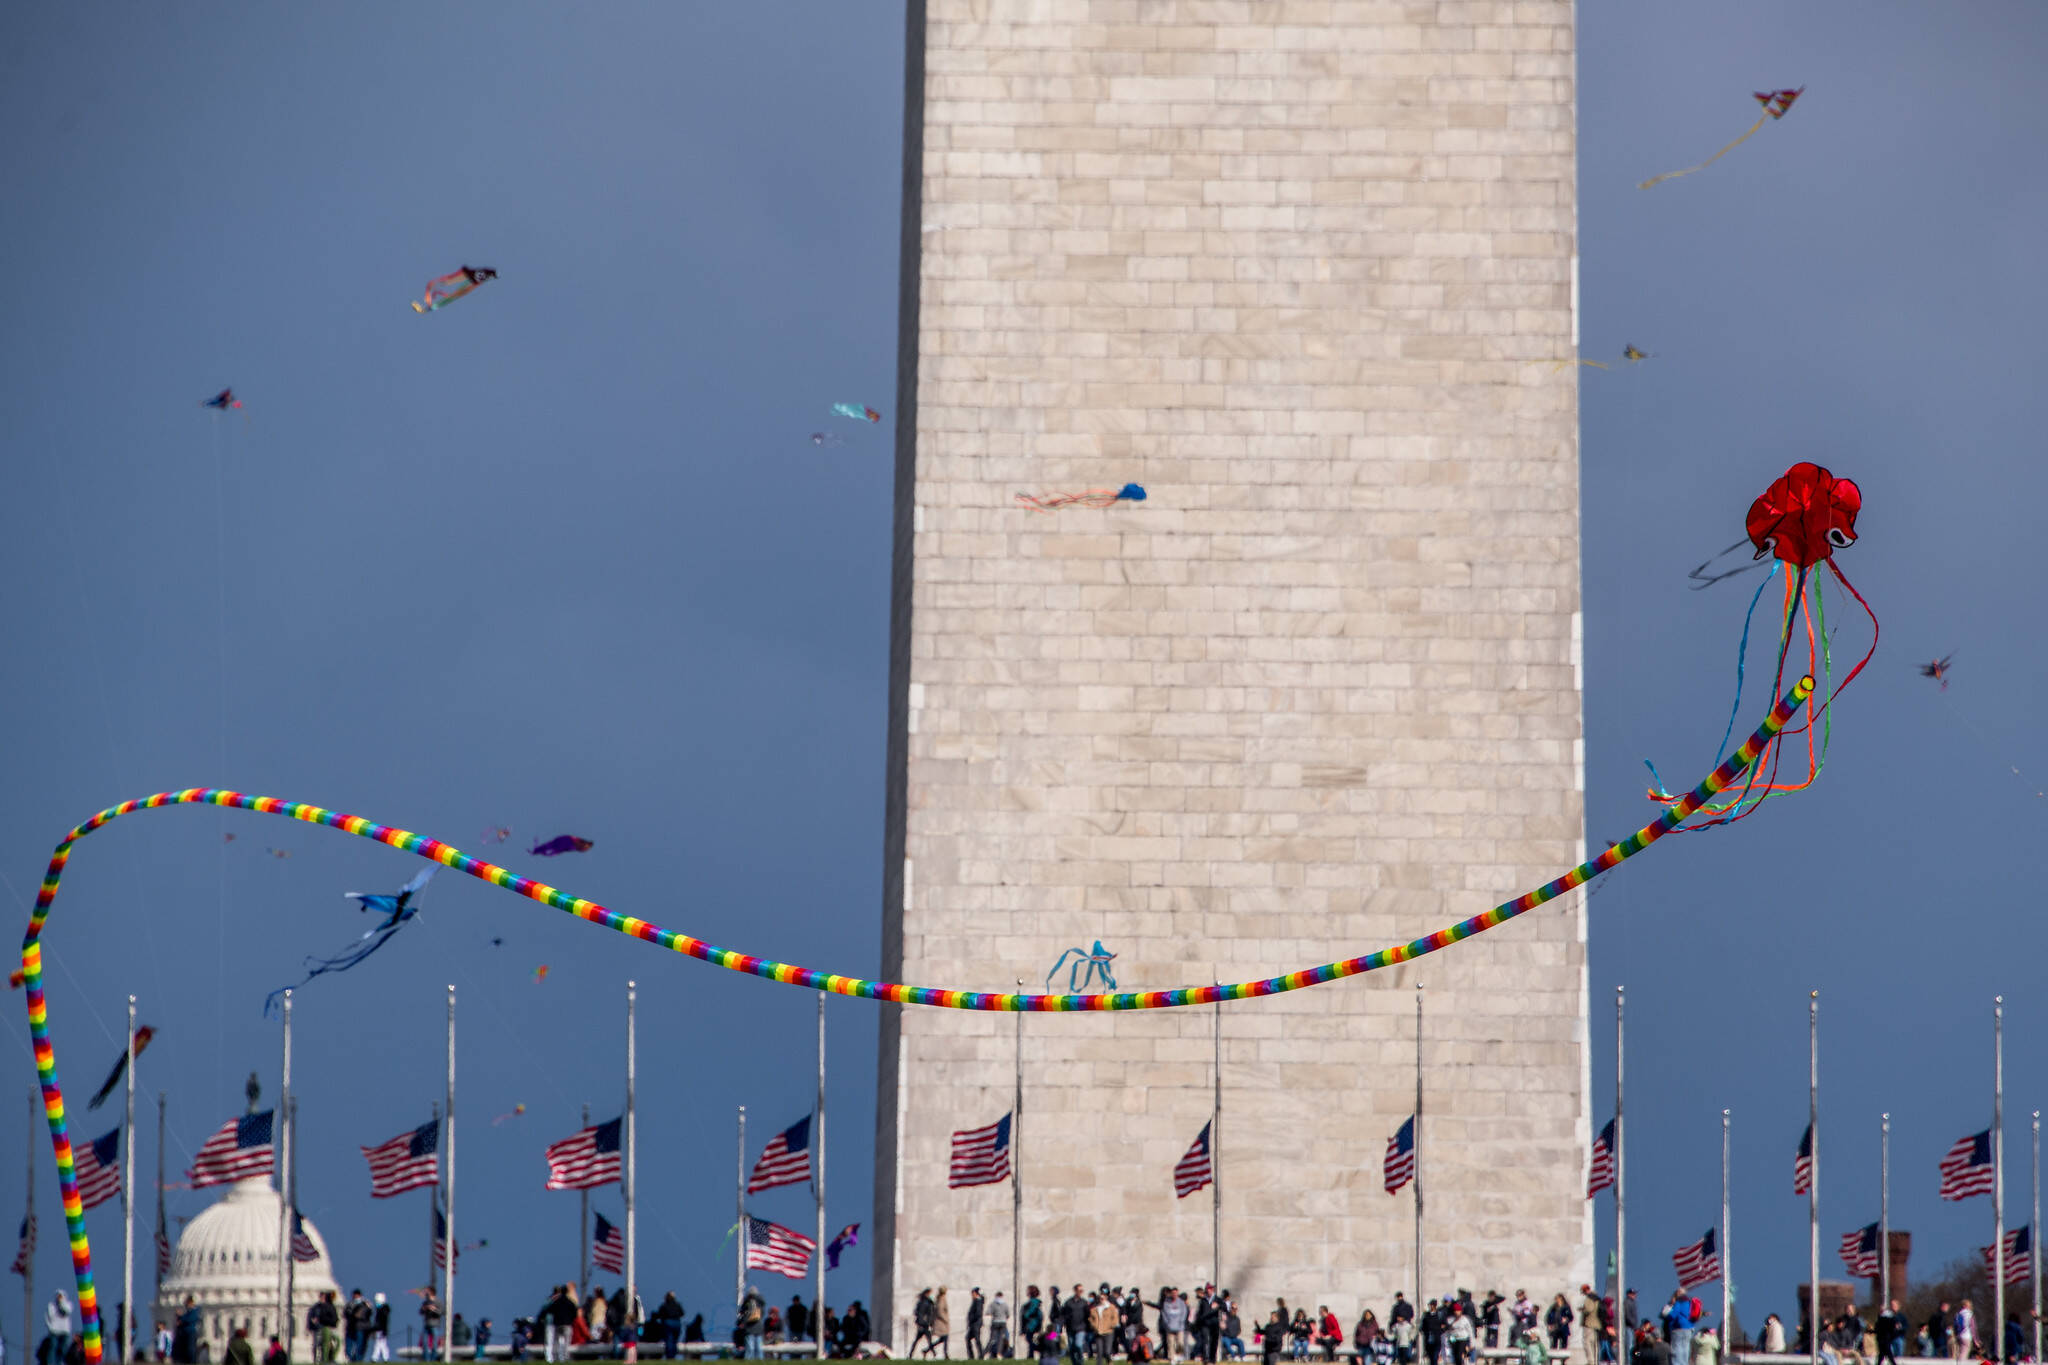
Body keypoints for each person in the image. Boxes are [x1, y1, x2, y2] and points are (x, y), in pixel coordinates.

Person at [739, 1286, 767, 1361]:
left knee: (757, 1348)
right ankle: (749, 1361)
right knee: (751, 1348)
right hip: (750, 1328)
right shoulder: (749, 1303)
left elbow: (742, 1313)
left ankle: (758, 1362)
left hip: (756, 1328)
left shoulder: (758, 1303)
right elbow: (742, 1312)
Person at [1091, 1297, 1120, 1365]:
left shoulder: (1111, 1307)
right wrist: (1094, 1326)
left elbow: (1115, 1318)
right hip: (1098, 1332)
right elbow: (1091, 1319)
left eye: (1102, 1298)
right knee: (1099, 1351)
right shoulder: (1095, 1309)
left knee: (1107, 1351)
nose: (1101, 1300)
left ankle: (1109, 1361)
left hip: (1108, 1332)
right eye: (1100, 1299)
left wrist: (1111, 1325)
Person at [46, 1293, 74, 1365]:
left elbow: (66, 1311)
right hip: (54, 1331)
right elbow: (48, 1317)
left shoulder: (68, 1304)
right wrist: (50, 1327)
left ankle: (61, 1363)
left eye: (61, 1296)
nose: (59, 1298)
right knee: (53, 1348)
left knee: (63, 1349)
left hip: (64, 1331)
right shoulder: (51, 1305)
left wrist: (61, 1302)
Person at [345, 1292, 373, 1363]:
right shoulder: (350, 1304)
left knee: (360, 1345)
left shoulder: (365, 1304)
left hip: (361, 1327)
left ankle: (357, 1359)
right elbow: (346, 1313)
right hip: (352, 1327)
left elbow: (367, 1313)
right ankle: (354, 1359)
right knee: (351, 1346)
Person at [653, 1295, 683, 1360]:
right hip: (677, 1323)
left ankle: (670, 1356)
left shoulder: (664, 1305)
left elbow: (660, 1314)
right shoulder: (677, 1305)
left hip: (668, 1323)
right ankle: (673, 1355)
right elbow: (682, 1313)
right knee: (674, 1341)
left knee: (669, 1340)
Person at [1578, 1289, 1603, 1365]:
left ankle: (1591, 1361)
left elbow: (1589, 1309)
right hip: (1597, 1324)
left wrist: (1583, 1310)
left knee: (1587, 1342)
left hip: (1589, 1323)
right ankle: (1595, 1361)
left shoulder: (1589, 1298)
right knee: (1594, 1343)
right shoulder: (1598, 1299)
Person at [1022, 1290, 1045, 1360]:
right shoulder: (1034, 1302)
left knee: (1029, 1339)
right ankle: (1030, 1354)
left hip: (1032, 1324)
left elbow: (1032, 1311)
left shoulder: (1033, 1302)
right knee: (1030, 1339)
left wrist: (1026, 1315)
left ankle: (1040, 1351)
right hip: (1033, 1323)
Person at [988, 1292, 1011, 1360]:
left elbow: (988, 1312)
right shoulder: (1005, 1304)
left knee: (992, 1339)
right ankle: (999, 1354)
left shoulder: (993, 1304)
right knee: (1001, 1339)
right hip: (1003, 1322)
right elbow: (1008, 1314)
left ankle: (984, 1353)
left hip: (995, 1322)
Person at [968, 1290, 987, 1360]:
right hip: (974, 1324)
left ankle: (980, 1355)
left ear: (976, 1294)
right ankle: (974, 1355)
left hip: (976, 1324)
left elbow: (978, 1313)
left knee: (976, 1340)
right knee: (970, 1339)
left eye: (973, 1294)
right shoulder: (976, 1301)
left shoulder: (978, 1301)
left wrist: (972, 1319)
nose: (972, 1295)